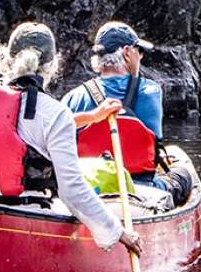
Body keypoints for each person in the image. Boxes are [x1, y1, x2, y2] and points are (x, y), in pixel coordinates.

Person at [0, 21, 143, 256]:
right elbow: (72, 191)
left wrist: (92, 117)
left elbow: (25, 127)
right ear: (52, 65)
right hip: (26, 213)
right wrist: (118, 232)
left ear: (6, 58)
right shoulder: (51, 111)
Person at [62, 21, 193, 206]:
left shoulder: (72, 97)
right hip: (144, 187)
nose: (140, 57)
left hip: (91, 189)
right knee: (184, 175)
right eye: (138, 51)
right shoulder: (150, 91)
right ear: (126, 53)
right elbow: (155, 141)